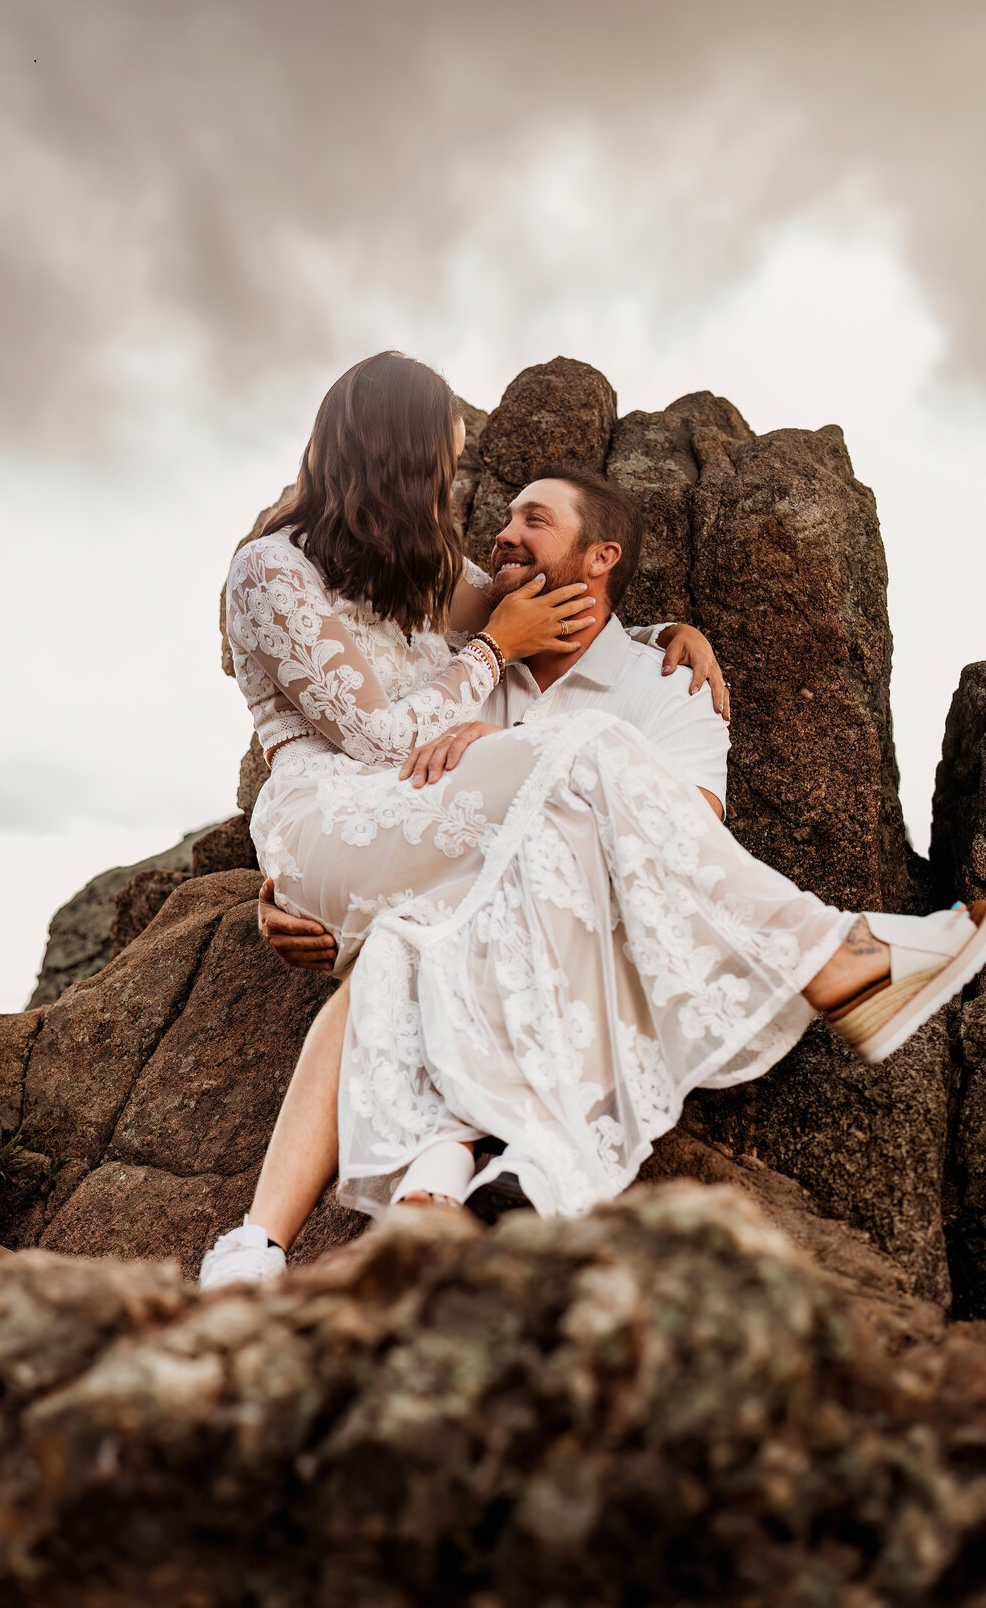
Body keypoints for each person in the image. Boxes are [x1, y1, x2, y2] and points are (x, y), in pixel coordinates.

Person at [200, 351, 986, 1289]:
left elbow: (551, 616)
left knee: (418, 945)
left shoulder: (417, 574)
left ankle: (330, 1224)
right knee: (593, 752)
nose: (458, 493)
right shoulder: (269, 571)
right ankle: (839, 962)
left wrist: (661, 637)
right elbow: (380, 732)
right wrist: (492, 648)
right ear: (396, 463)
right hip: (335, 812)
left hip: (407, 820)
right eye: (444, 468)